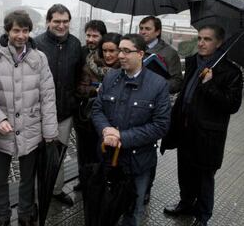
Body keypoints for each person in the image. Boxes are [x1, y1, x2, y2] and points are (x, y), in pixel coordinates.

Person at [161, 25, 243, 226]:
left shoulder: (230, 72)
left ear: (219, 43)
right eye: (199, 38)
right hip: (186, 128)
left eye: (207, 39)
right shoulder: (192, 62)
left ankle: (203, 216)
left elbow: (232, 105)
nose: (201, 43)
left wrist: (210, 85)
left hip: (208, 135)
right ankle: (186, 203)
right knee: (185, 171)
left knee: (204, 177)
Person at [0, 10, 58, 226]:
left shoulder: (39, 58)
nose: (21, 35)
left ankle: (25, 213)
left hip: (31, 126)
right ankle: (3, 214)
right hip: (2, 129)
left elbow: (47, 96)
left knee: (28, 177)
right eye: (16, 30)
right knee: (0, 178)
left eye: (25, 31)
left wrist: (50, 132)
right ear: (7, 31)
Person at [91, 34, 171, 226]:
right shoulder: (111, 77)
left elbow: (160, 125)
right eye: (120, 50)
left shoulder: (158, 85)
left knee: (133, 211)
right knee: (104, 206)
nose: (120, 55)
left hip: (138, 163)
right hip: (109, 158)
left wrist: (122, 137)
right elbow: (97, 109)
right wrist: (106, 131)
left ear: (141, 54)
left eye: (127, 51)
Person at [35, 4, 82, 206]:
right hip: (37, 112)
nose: (61, 25)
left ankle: (55, 190)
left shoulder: (75, 44)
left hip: (64, 112)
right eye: (57, 21)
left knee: (59, 154)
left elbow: (80, 75)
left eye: (65, 22)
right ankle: (35, 196)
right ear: (48, 22)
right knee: (35, 156)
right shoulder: (35, 44)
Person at [139, 15, 183, 204]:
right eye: (141, 28)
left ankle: (146, 187)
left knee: (148, 148)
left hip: (154, 107)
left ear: (157, 31)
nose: (142, 32)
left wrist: (155, 84)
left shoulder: (169, 53)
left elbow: (177, 82)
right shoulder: (135, 47)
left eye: (147, 28)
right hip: (133, 104)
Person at [74, 31, 122, 191]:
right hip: (89, 121)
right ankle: (86, 181)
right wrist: (95, 91)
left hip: (114, 123)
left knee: (108, 156)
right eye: (105, 51)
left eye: (112, 51)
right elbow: (80, 88)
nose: (108, 55)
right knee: (86, 154)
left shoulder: (125, 69)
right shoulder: (91, 65)